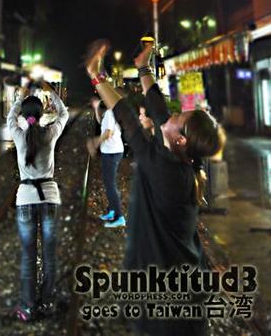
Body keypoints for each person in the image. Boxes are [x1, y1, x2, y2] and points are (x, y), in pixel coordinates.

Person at [85, 40, 223, 336]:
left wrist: (96, 77)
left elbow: (127, 118)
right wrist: (144, 67)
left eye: (178, 118)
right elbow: (160, 114)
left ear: (181, 139)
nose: (170, 117)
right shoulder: (181, 159)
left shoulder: (166, 170)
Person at [7, 80, 69, 322]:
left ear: (24, 114)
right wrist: (51, 93)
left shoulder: (18, 135)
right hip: (50, 198)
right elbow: (63, 113)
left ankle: (28, 307)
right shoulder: (51, 133)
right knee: (50, 256)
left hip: (25, 199)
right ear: (43, 113)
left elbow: (13, 116)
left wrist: (20, 97)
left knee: (28, 257)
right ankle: (48, 302)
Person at [88, 96, 126, 227]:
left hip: (112, 153)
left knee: (110, 185)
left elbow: (108, 133)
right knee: (109, 183)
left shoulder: (110, 112)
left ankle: (119, 217)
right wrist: (96, 108)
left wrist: (95, 142)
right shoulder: (109, 113)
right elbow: (101, 123)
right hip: (111, 152)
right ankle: (112, 211)